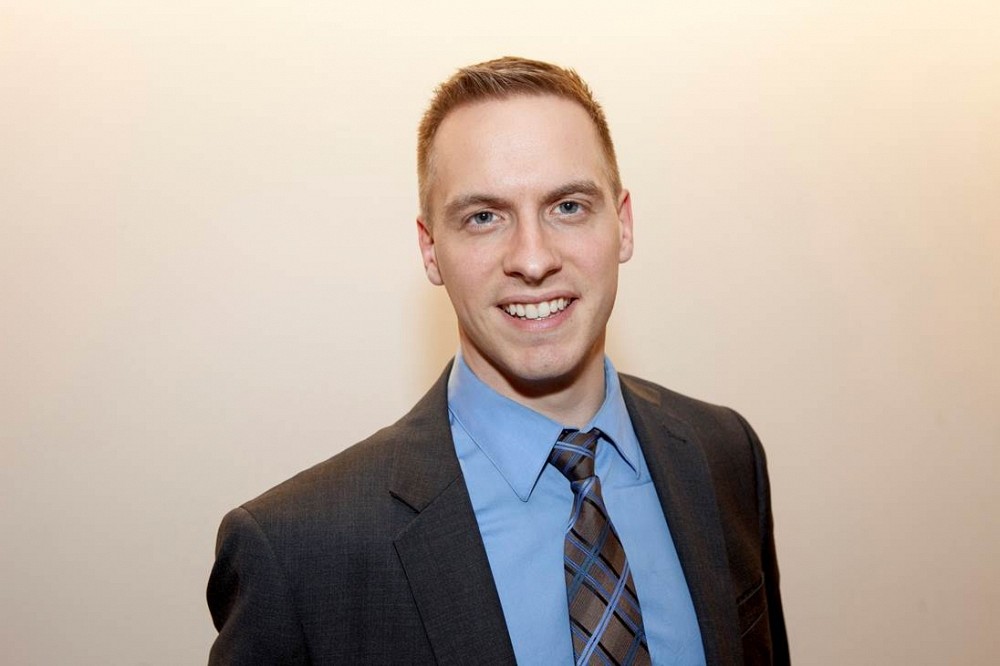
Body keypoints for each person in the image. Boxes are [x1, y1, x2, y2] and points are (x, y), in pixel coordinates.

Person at [207, 56, 788, 665]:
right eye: (484, 217)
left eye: (567, 206)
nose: (533, 260)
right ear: (431, 250)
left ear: (623, 223)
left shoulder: (724, 454)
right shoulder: (298, 553)